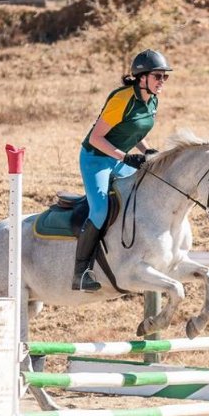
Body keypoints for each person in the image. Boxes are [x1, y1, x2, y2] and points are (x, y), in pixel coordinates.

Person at [72, 49, 173, 291]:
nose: (162, 82)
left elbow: (135, 131)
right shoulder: (122, 99)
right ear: (142, 77)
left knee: (141, 198)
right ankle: (81, 273)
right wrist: (125, 157)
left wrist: (147, 150)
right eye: (158, 76)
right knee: (99, 211)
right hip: (96, 159)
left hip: (120, 159)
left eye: (165, 77)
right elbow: (96, 138)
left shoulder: (152, 99)